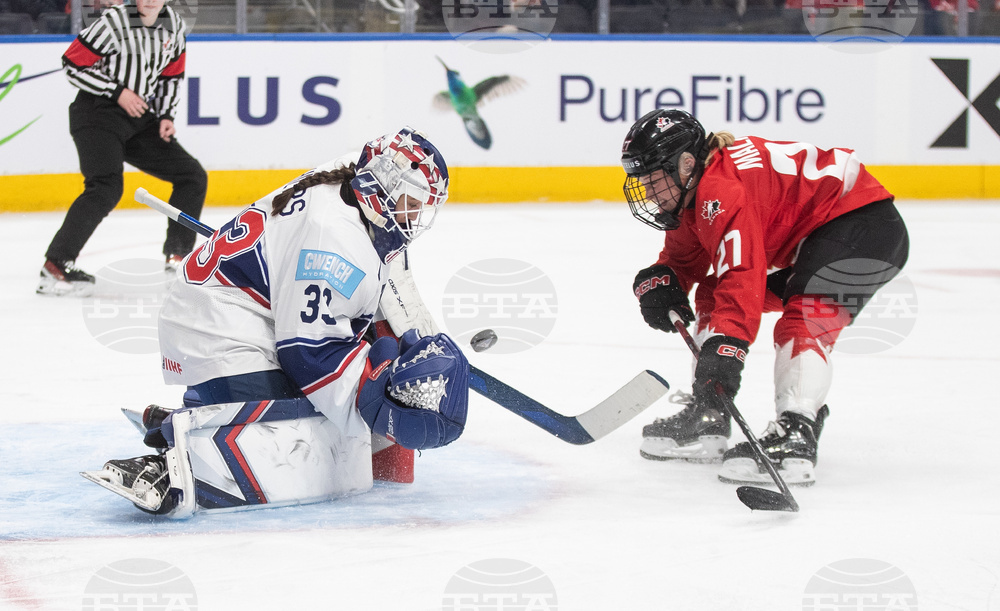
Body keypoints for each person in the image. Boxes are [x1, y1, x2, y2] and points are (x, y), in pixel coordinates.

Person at [84, 127, 470, 517]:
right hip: (219, 326)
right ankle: (170, 465)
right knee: (296, 444)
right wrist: (375, 391)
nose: (415, 216)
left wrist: (396, 340)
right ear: (381, 189)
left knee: (335, 424)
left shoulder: (354, 178)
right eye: (411, 202)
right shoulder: (334, 240)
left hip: (243, 312)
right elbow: (308, 352)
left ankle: (201, 413)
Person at [623, 109, 908, 486]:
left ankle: (796, 431)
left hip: (863, 227)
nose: (647, 191)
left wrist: (725, 352)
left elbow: (742, 278)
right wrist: (664, 279)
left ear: (686, 163)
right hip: (825, 232)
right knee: (712, 295)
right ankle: (709, 413)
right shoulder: (694, 193)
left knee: (804, 317)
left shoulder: (723, 189)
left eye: (653, 179)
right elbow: (684, 258)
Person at [37, 0, 206, 296]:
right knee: (106, 187)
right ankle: (56, 265)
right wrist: (117, 92)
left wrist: (166, 115)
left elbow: (171, 76)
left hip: (138, 117)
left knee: (192, 176)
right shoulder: (115, 20)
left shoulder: (175, 26)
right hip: (96, 113)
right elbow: (73, 63)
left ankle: (178, 257)